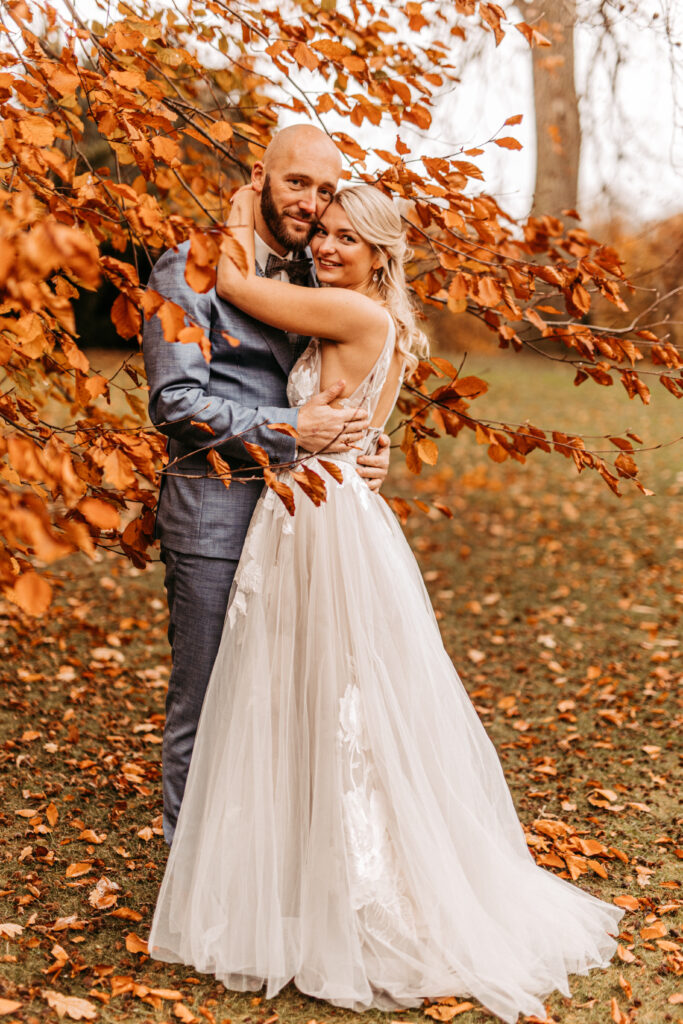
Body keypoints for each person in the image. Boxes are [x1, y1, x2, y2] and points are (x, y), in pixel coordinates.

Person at [148, 183, 624, 1024]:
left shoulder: (354, 314)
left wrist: (234, 204)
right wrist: (369, 449)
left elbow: (241, 289)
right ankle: (299, 877)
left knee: (339, 703)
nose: (325, 248)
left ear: (379, 255)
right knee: (306, 697)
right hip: (318, 504)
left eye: (344, 239)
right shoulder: (378, 319)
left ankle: (358, 897)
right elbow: (348, 411)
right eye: (322, 234)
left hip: (320, 521)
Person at [142, 125, 390, 846]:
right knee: (210, 699)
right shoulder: (189, 269)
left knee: (285, 700)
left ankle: (263, 872)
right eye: (295, 183)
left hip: (303, 529)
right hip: (216, 517)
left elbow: (349, 379)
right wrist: (291, 429)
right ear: (260, 176)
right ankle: (189, 881)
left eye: (323, 190)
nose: (311, 205)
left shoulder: (321, 275)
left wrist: (371, 452)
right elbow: (175, 404)